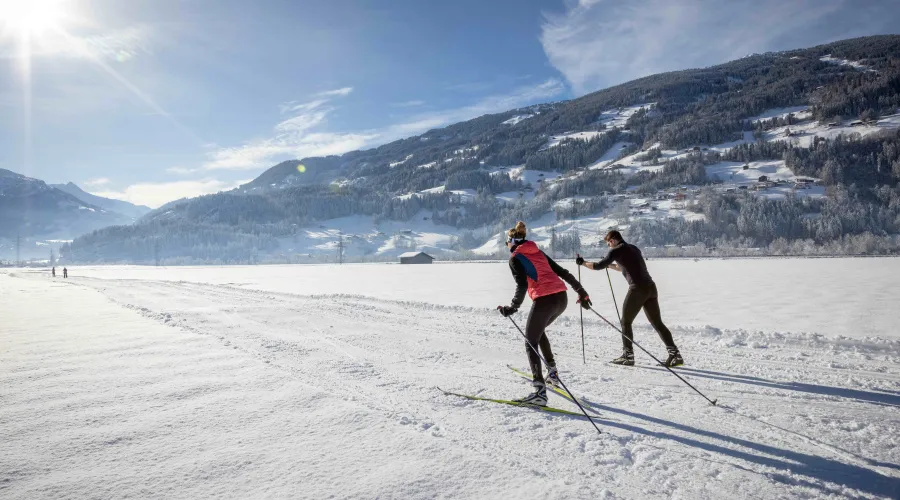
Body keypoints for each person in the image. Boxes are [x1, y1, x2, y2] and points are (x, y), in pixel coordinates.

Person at [497, 221, 592, 406]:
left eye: (506, 242)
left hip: (545, 300)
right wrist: (582, 293)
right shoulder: (538, 252)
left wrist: (513, 307)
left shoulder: (515, 257)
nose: (506, 246)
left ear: (511, 241)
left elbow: (522, 285)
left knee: (530, 341)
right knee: (538, 333)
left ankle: (539, 391)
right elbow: (562, 272)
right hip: (561, 299)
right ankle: (553, 374)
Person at [576, 230, 683, 367]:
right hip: (651, 288)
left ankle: (628, 356)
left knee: (625, 322)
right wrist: (609, 264)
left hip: (637, 289)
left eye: (608, 244)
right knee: (657, 323)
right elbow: (623, 268)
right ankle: (675, 355)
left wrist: (583, 262)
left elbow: (597, 266)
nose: (609, 246)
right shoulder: (633, 248)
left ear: (613, 240)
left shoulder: (616, 250)